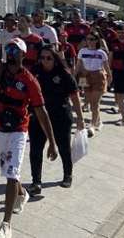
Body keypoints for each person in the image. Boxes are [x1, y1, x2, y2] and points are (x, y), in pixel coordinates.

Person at [0, 38, 57, 238]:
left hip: (18, 130)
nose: (10, 53)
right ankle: (22, 194)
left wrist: (52, 142)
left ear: (23, 55)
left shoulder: (30, 80)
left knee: (11, 174)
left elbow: (41, 111)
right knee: (7, 169)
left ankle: (6, 224)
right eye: (8, 48)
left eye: (15, 50)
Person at [28, 45, 84, 195]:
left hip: (60, 116)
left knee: (63, 147)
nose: (44, 61)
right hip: (38, 116)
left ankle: (67, 175)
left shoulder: (64, 74)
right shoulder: (34, 72)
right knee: (35, 150)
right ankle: (36, 182)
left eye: (48, 58)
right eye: (42, 58)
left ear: (55, 59)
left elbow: (74, 96)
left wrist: (80, 118)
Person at [75, 31, 110, 135]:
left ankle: (93, 125)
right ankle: (98, 121)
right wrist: (73, 76)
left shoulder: (101, 52)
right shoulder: (82, 51)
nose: (89, 41)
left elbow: (106, 66)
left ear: (97, 40)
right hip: (84, 76)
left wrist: (110, 76)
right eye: (88, 39)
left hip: (98, 76)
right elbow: (78, 65)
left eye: (92, 39)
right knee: (88, 101)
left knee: (95, 103)